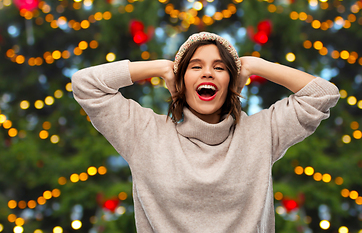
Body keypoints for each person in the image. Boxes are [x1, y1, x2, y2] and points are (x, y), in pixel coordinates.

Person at [72, 32, 340, 232]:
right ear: (181, 82)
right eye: (195, 66)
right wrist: (161, 68)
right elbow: (85, 85)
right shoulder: (143, 134)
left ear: (232, 82)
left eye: (220, 67)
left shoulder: (262, 132)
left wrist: (254, 65)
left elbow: (323, 94)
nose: (208, 73)